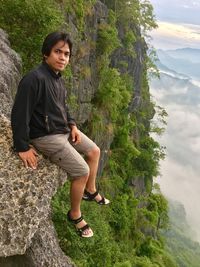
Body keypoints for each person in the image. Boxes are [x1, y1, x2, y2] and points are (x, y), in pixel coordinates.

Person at [11, 31, 109, 238]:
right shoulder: (34, 79)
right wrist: (22, 147)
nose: (63, 57)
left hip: (63, 130)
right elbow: (19, 115)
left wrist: (72, 125)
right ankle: (74, 214)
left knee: (94, 151)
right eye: (58, 52)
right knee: (81, 171)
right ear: (46, 53)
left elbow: (63, 107)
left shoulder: (57, 78)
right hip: (45, 136)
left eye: (66, 54)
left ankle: (90, 191)